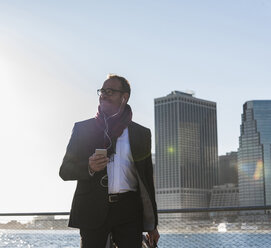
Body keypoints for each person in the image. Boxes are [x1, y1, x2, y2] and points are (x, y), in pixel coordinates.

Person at [59, 74, 160, 248]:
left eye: (110, 91)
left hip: (130, 211)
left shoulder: (141, 134)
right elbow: (65, 171)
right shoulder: (83, 129)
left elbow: (147, 180)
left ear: (124, 97)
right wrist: (89, 167)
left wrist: (153, 225)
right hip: (92, 209)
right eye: (102, 91)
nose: (104, 95)